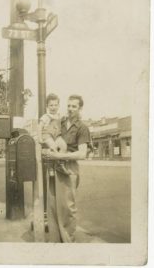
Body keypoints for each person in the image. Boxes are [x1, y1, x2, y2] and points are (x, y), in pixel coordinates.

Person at [43, 94, 91, 242]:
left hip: (69, 169)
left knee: (68, 209)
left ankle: (68, 242)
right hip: (54, 168)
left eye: (74, 106)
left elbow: (82, 154)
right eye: (69, 105)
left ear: (80, 108)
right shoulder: (60, 122)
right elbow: (46, 134)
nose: (70, 109)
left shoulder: (82, 128)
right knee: (52, 207)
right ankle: (55, 241)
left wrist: (59, 156)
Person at [38, 93, 67, 176]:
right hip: (47, 135)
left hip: (57, 135)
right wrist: (40, 138)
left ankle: (60, 164)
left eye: (55, 105)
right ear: (47, 106)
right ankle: (50, 166)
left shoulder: (59, 116)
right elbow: (40, 127)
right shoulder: (46, 116)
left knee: (63, 145)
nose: (53, 107)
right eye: (51, 105)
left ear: (58, 106)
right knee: (53, 147)